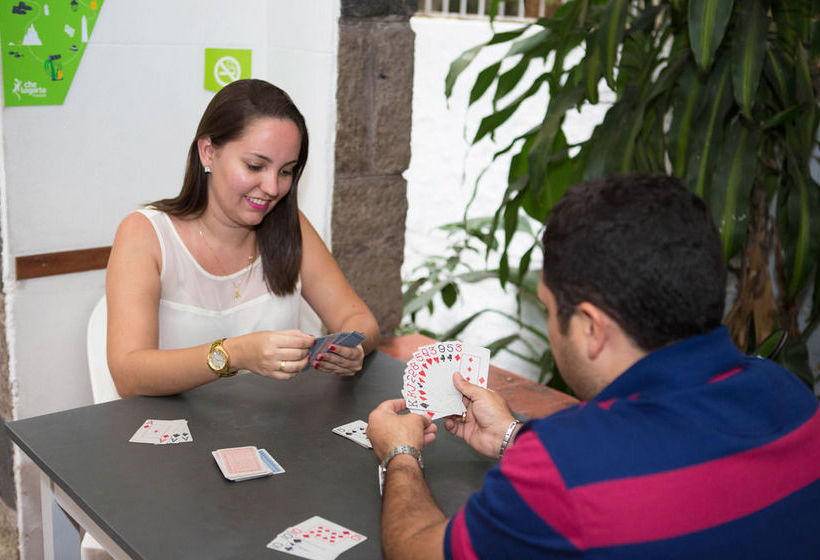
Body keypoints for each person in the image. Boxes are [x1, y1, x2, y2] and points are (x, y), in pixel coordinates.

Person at [366, 174, 820, 559]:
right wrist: (512, 436)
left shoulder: (564, 469)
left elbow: (419, 548)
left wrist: (400, 455)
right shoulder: (795, 399)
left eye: (547, 308)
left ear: (590, 327)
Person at [106, 79, 379, 397]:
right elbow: (128, 375)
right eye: (255, 166)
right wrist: (232, 354)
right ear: (208, 152)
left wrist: (352, 346)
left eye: (286, 171)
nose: (273, 188)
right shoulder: (146, 234)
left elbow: (359, 319)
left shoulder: (291, 227)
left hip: (272, 430)